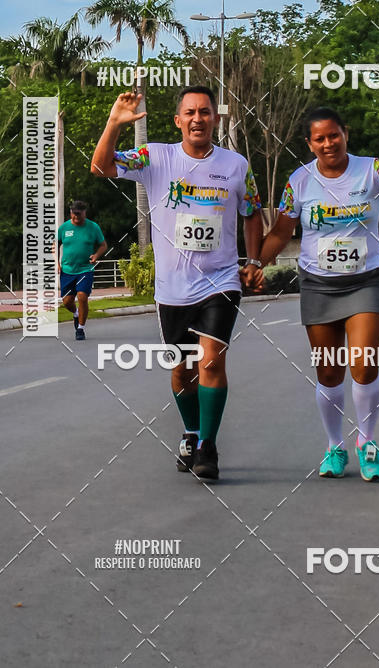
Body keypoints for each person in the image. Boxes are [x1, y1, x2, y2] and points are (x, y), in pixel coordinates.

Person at [91, 86, 263, 482]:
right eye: (190, 112)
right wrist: (115, 122)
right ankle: (191, 430)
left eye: (205, 112)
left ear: (215, 119)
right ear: (178, 121)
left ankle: (208, 445)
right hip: (172, 287)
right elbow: (101, 168)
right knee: (183, 369)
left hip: (220, 281)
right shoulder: (156, 156)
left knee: (211, 361)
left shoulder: (236, 165)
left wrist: (252, 260)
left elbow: (252, 212)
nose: (198, 119)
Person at [258, 107, 379, 481]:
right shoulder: (299, 181)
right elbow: (280, 232)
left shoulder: (372, 170)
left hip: (363, 282)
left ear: (345, 134)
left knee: (365, 364)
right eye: (319, 139)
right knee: (328, 372)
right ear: (309, 144)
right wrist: (256, 263)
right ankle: (334, 446)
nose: (328, 144)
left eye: (333, 135)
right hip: (318, 286)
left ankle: (367, 442)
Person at [57, 200, 107, 341]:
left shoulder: (93, 227)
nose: (76, 217)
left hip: (85, 269)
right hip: (67, 269)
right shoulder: (64, 228)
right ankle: (76, 313)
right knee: (67, 301)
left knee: (82, 297)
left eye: (79, 214)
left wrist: (96, 255)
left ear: (85, 212)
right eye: (74, 214)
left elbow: (103, 245)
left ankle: (80, 329)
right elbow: (55, 244)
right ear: (71, 213)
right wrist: (57, 263)